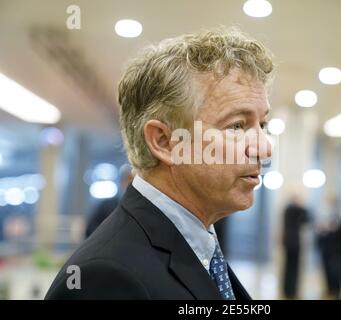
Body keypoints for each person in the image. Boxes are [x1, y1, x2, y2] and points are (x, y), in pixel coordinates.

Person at [45, 27, 274, 300]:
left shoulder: (200, 245)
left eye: (262, 124)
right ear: (165, 142)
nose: (264, 147)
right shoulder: (105, 279)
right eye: (236, 126)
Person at [85, 165, 133, 238]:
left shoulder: (140, 207)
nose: (130, 184)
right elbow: (90, 229)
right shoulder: (107, 205)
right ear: (121, 182)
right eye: (128, 180)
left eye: (132, 181)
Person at [281, 192, 309, 299]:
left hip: (288, 241)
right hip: (294, 242)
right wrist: (302, 205)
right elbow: (307, 218)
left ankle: (287, 291)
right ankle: (291, 292)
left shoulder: (287, 209)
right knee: (293, 269)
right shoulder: (295, 209)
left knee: (288, 268)